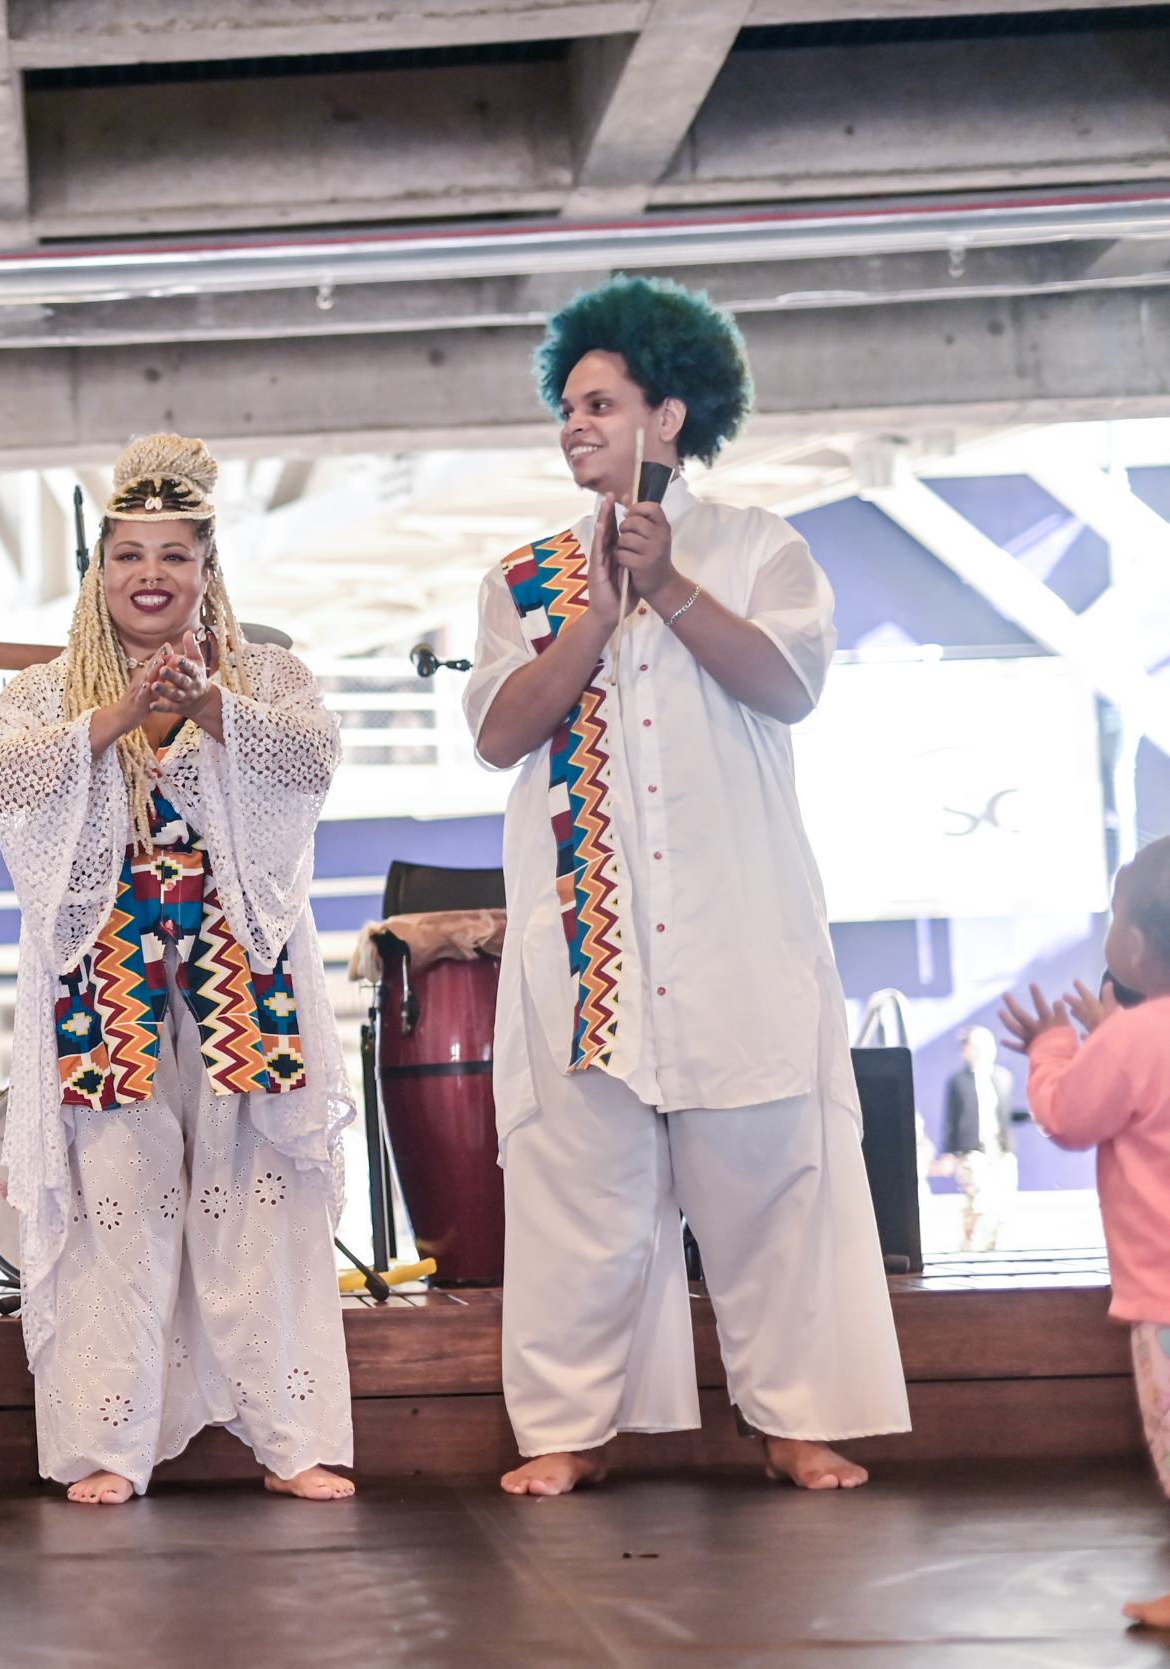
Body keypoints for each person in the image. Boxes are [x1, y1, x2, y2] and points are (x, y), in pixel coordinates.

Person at [466, 277, 910, 1496]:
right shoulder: (527, 578)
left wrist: (667, 584)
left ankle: (797, 1422)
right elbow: (501, 734)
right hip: (590, 945)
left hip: (733, 933)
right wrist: (596, 614)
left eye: (598, 403)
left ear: (669, 415)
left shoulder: (761, 545)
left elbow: (788, 686)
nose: (573, 425)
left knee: (773, 1183)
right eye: (565, 407)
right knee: (580, 1190)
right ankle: (568, 1430)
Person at [0, 433, 356, 1506]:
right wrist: (120, 717)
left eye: (173, 556)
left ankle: (294, 1438)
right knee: (117, 1200)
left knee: (260, 1195)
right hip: (106, 974)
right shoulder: (50, 691)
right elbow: (6, 781)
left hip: (241, 964)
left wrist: (208, 709)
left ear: (207, 569)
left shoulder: (266, 670)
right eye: (128, 554)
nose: (150, 574)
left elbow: (308, 760)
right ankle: (108, 1444)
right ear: (98, 571)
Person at [997, 838, 1170, 1627]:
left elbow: (1068, 1113)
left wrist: (1054, 1044)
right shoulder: (1135, 1038)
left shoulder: (1135, 1040)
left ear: (1131, 945)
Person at [934, 1026, 1017, 1251]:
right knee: (981, 1201)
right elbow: (952, 1119)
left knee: (1002, 1204)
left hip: (1000, 1150)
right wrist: (949, 1152)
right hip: (972, 1150)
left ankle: (997, 1249)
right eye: (974, 1046)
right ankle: (971, 1248)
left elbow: (1005, 1115)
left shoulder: (1002, 1077)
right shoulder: (958, 1081)